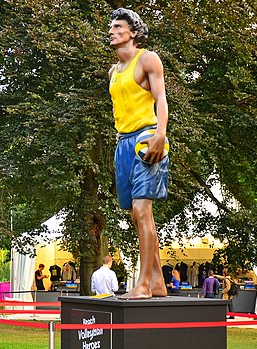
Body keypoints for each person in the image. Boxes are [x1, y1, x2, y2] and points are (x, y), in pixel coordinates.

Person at [108, 8, 170, 300]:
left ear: (132, 32)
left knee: (143, 211)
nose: (111, 30)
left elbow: (160, 98)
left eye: (118, 26)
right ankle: (157, 281)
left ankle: (143, 285)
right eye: (111, 27)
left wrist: (160, 133)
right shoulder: (113, 72)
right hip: (123, 143)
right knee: (135, 214)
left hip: (146, 138)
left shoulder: (147, 59)